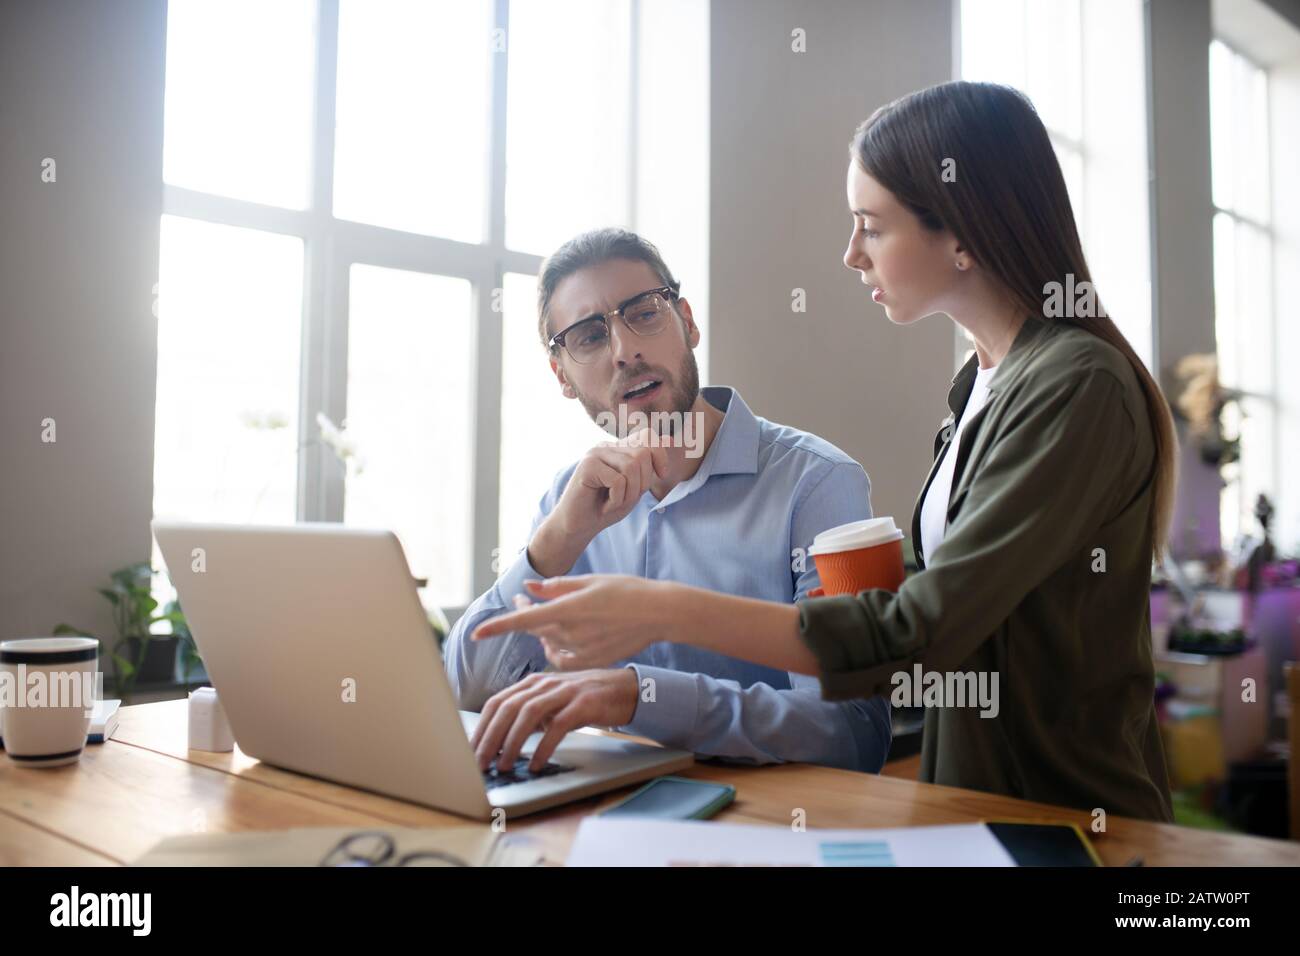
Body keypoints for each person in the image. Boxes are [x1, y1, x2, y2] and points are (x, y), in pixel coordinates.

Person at [472, 83, 1178, 823]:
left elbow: (914, 636)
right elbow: (921, 607)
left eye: (871, 226)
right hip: (977, 809)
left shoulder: (1075, 384)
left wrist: (661, 615)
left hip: (1076, 819)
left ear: (962, 230)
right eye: (586, 336)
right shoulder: (979, 388)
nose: (850, 254)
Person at [445, 227, 891, 776]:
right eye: (588, 337)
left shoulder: (817, 483)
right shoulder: (571, 501)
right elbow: (466, 690)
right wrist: (557, 540)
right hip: (606, 814)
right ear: (562, 376)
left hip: (769, 827)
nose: (624, 350)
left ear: (688, 321)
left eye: (645, 313)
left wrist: (642, 697)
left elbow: (855, 732)